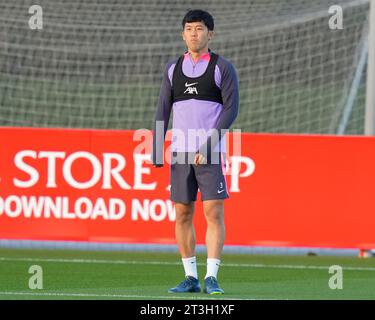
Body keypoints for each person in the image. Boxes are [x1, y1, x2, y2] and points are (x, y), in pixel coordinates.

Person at [152, 9, 239, 294]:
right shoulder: (172, 68)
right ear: (182, 34)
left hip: (209, 153)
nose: (194, 33)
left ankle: (212, 276)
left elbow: (231, 109)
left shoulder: (221, 67)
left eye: (199, 29)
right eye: (189, 28)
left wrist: (209, 145)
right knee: (182, 213)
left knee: (213, 212)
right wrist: (156, 146)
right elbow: (163, 109)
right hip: (180, 152)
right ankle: (190, 277)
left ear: (210, 33)